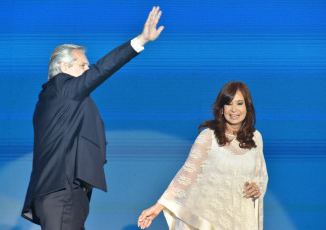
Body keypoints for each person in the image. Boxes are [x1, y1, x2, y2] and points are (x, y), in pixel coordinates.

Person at [21, 6, 164, 230]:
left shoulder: (54, 99)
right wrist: (140, 40)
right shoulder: (62, 88)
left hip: (62, 195)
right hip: (62, 193)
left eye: (88, 65)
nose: (88, 69)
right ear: (64, 67)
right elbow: (101, 70)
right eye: (82, 65)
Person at [138, 82, 268, 230]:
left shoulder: (255, 138)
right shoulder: (209, 137)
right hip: (208, 220)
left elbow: (259, 176)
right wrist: (158, 207)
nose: (234, 109)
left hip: (241, 219)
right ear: (221, 109)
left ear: (247, 107)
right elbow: (187, 175)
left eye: (239, 103)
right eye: (228, 103)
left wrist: (256, 188)